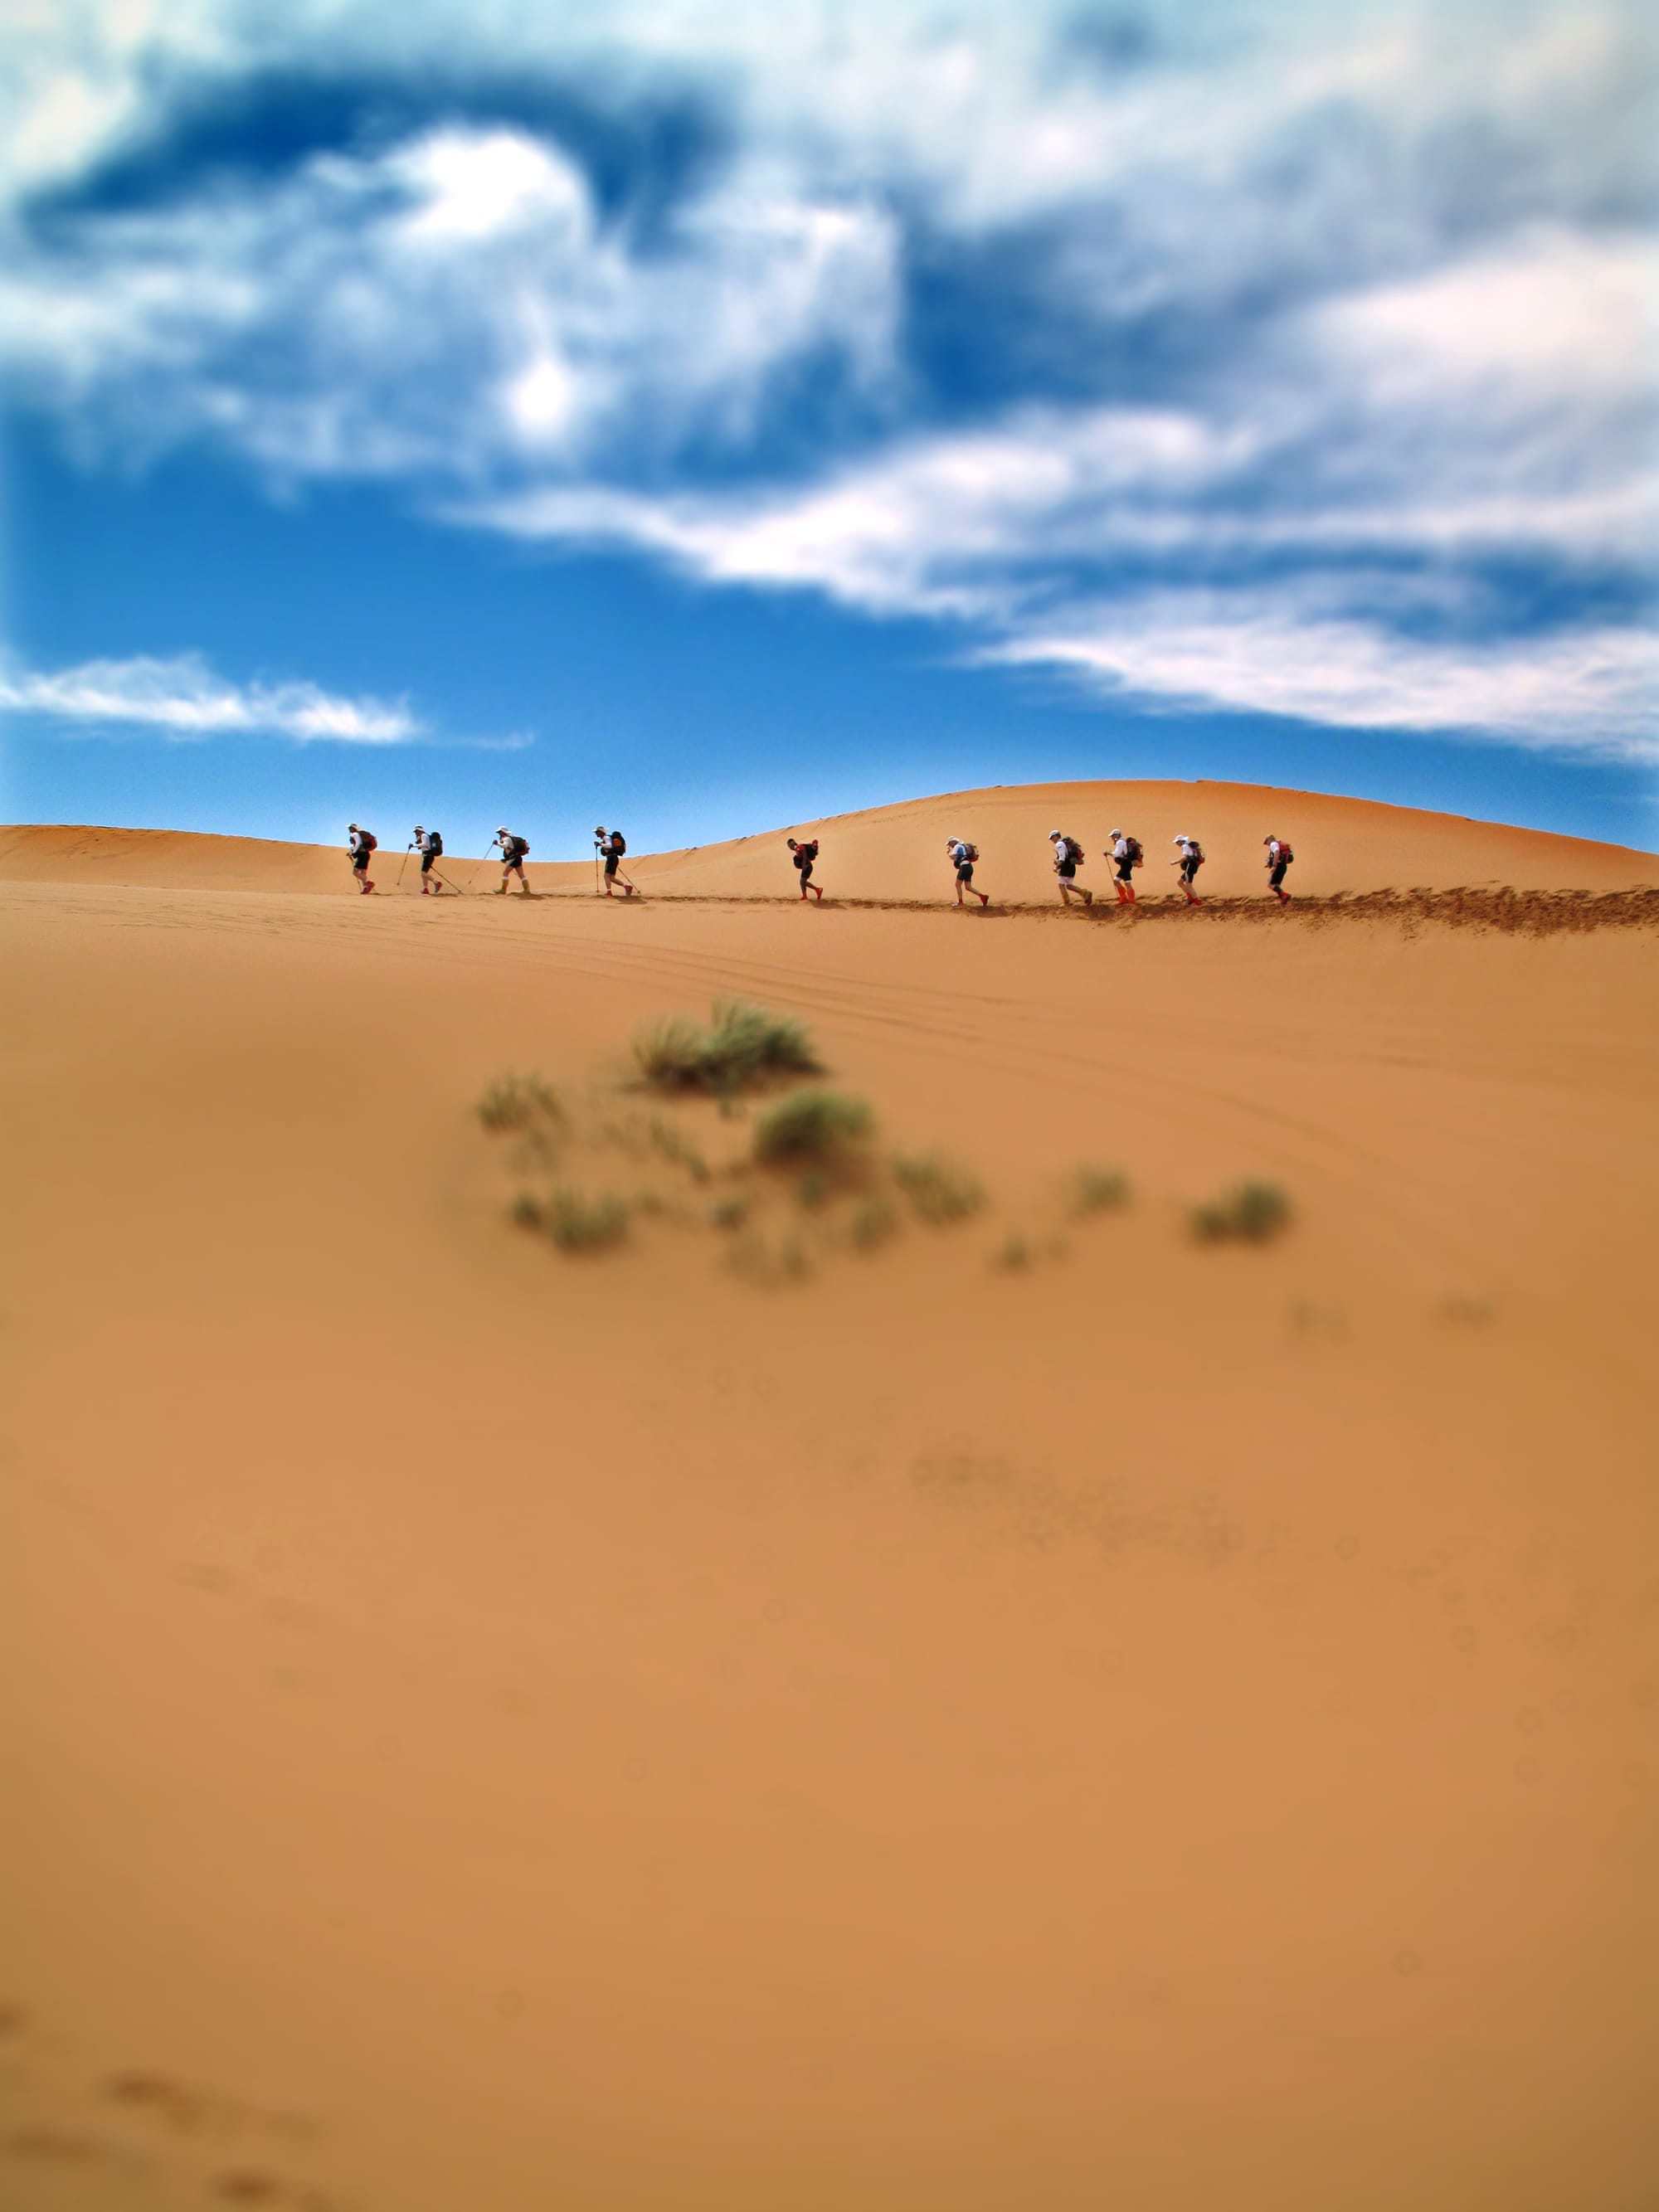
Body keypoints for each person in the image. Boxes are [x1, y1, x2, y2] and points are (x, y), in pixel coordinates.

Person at [1048, 829, 1092, 905]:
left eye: (1052, 837)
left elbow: (1062, 858)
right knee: (1069, 886)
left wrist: (1056, 867)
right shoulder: (1064, 844)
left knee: (1061, 885)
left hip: (1066, 866)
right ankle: (1085, 893)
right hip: (1071, 866)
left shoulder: (1059, 844)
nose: (1052, 840)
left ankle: (1066, 903)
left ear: (1056, 836)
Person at [946, 835, 990, 908]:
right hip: (969, 867)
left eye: (949, 844)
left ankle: (960, 902)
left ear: (953, 842)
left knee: (957, 885)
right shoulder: (962, 846)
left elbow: (952, 857)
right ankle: (983, 897)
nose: (950, 846)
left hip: (964, 867)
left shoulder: (957, 846)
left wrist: (948, 853)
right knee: (968, 887)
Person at [593, 826, 635, 897]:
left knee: (606, 875)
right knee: (612, 878)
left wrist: (600, 845)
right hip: (613, 858)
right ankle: (626, 886)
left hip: (611, 858)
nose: (596, 834)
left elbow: (610, 846)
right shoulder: (606, 838)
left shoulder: (606, 838)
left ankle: (609, 892)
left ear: (601, 832)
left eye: (597, 832)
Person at [1107, 828, 1142, 902]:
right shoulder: (1123, 841)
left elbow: (1117, 854)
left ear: (1116, 836)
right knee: (1123, 881)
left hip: (1125, 862)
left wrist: (1108, 853)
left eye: (1112, 836)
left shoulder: (1120, 842)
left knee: (1122, 881)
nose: (1112, 838)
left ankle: (1126, 899)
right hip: (1127, 863)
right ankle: (1127, 899)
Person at [494, 825, 532, 895]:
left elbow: (505, 846)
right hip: (518, 858)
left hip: (514, 858)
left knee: (505, 873)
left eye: (500, 832)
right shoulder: (510, 839)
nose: (499, 834)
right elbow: (511, 850)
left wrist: (497, 844)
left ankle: (503, 890)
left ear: (503, 832)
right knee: (521, 875)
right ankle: (527, 890)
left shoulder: (506, 839)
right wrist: (506, 859)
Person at [410, 824, 445, 893]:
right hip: (428, 856)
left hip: (428, 856)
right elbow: (422, 846)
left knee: (423, 873)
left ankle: (436, 883)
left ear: (419, 831)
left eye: (416, 832)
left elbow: (424, 844)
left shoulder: (423, 835)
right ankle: (425, 889)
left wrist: (413, 845)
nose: (415, 833)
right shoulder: (423, 836)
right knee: (424, 873)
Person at [1170, 834, 1204, 906]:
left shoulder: (1185, 846)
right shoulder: (1188, 846)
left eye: (1177, 842)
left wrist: (1175, 862)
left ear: (1181, 841)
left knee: (1189, 885)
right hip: (1192, 866)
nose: (1177, 844)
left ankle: (1197, 902)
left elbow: (1185, 857)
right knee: (1180, 882)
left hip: (1190, 866)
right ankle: (1190, 898)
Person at [787, 835, 823, 901]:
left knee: (802, 882)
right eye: (789, 846)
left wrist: (804, 865)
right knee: (802, 882)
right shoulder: (797, 849)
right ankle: (804, 896)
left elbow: (804, 853)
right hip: (807, 866)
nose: (790, 847)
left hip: (807, 866)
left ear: (793, 843)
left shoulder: (798, 847)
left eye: (790, 845)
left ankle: (817, 890)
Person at [347, 822, 377, 894]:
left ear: (352, 829)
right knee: (363, 873)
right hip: (366, 854)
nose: (349, 830)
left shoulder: (355, 834)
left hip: (362, 855)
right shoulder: (359, 835)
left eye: (350, 828)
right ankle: (366, 888)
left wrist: (353, 852)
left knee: (355, 872)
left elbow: (358, 844)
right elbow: (359, 845)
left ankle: (368, 883)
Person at [1263, 834, 1294, 903]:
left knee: (1270, 884)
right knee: (1276, 884)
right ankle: (1283, 898)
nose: (1267, 844)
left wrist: (1274, 866)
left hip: (1278, 866)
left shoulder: (1273, 844)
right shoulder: (1279, 843)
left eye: (1266, 842)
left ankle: (1285, 895)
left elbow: (1276, 852)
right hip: (1283, 866)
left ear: (1269, 840)